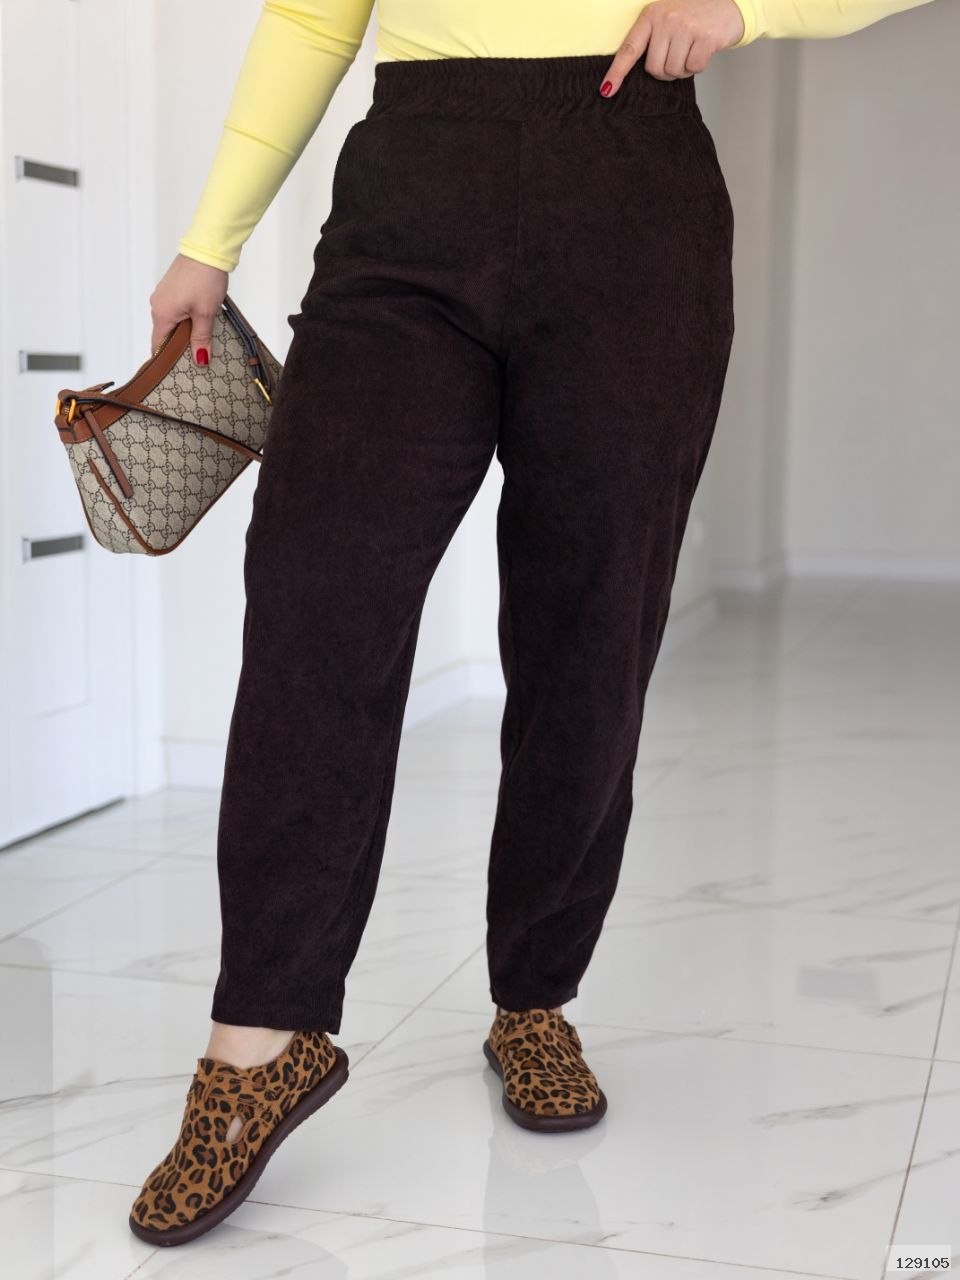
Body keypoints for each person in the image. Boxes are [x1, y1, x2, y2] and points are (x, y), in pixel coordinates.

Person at [129, 0, 935, 1248]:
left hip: (633, 189)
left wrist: (746, 7)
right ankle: (259, 1037)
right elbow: (310, 17)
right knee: (315, 597)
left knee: (589, 626)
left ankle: (535, 999)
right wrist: (209, 239)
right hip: (410, 190)